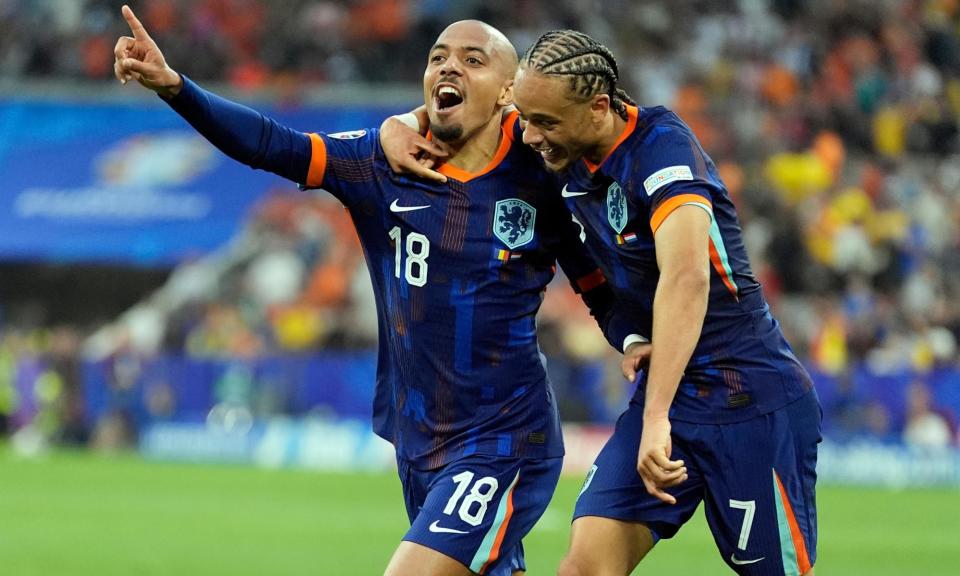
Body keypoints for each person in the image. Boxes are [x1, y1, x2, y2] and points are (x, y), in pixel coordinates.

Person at [113, 7, 642, 576]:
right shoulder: (376, 162)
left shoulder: (542, 168)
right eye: (438, 57)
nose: (449, 66)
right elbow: (270, 143)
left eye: (472, 59)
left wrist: (632, 336)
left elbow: (593, 278)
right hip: (416, 435)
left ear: (508, 91)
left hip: (505, 437)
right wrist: (174, 86)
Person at [385, 29, 822, 576]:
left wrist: (657, 416)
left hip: (750, 398)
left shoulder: (662, 147)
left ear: (598, 107)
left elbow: (687, 278)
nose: (529, 135)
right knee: (585, 567)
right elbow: (458, 111)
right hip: (669, 394)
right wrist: (397, 125)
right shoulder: (556, 141)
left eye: (545, 123)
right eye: (525, 116)